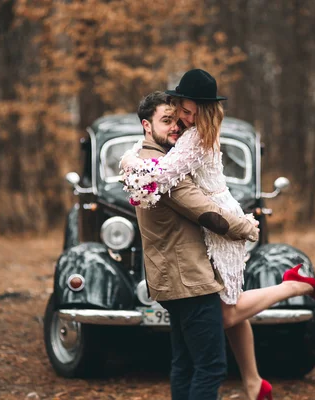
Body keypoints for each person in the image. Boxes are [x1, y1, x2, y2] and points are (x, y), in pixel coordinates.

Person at [121, 70, 315, 400]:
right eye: (178, 113)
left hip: (220, 225)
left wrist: (131, 164)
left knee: (225, 314)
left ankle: (293, 286)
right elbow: (160, 171)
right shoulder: (181, 139)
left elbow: (164, 175)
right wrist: (134, 159)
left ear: (204, 109)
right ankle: (255, 381)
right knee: (224, 316)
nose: (182, 120)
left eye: (187, 112)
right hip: (204, 238)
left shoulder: (196, 137)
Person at [132, 91, 261, 400]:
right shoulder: (162, 169)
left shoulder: (140, 159)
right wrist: (248, 226)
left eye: (177, 120)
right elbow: (207, 213)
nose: (176, 127)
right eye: (167, 121)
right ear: (146, 126)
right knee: (211, 367)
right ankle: (296, 287)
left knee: (186, 363)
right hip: (190, 280)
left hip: (173, 278)